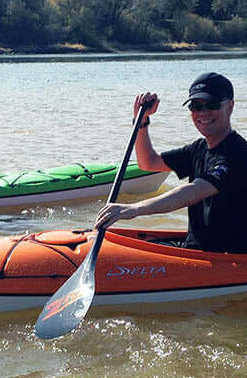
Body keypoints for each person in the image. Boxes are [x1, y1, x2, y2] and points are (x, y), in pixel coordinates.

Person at [95, 72, 247, 253]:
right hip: (195, 249)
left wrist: (133, 209)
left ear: (230, 106)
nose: (203, 113)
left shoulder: (238, 154)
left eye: (211, 105)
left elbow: (192, 192)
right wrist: (141, 121)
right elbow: (148, 162)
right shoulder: (198, 148)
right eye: (195, 106)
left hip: (225, 257)